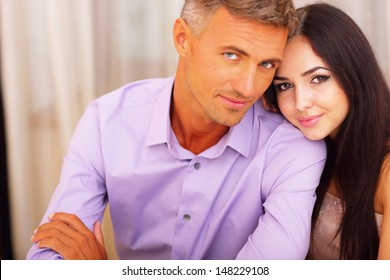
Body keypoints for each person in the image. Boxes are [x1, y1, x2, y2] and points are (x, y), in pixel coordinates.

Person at [27, 0, 327, 260]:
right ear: (182, 38)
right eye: (232, 55)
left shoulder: (292, 147)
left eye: (266, 64)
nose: (248, 88)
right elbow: (50, 252)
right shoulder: (106, 122)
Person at [265, 3, 390, 259]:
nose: (300, 103)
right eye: (285, 86)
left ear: (354, 73)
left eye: (318, 78)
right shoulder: (303, 151)